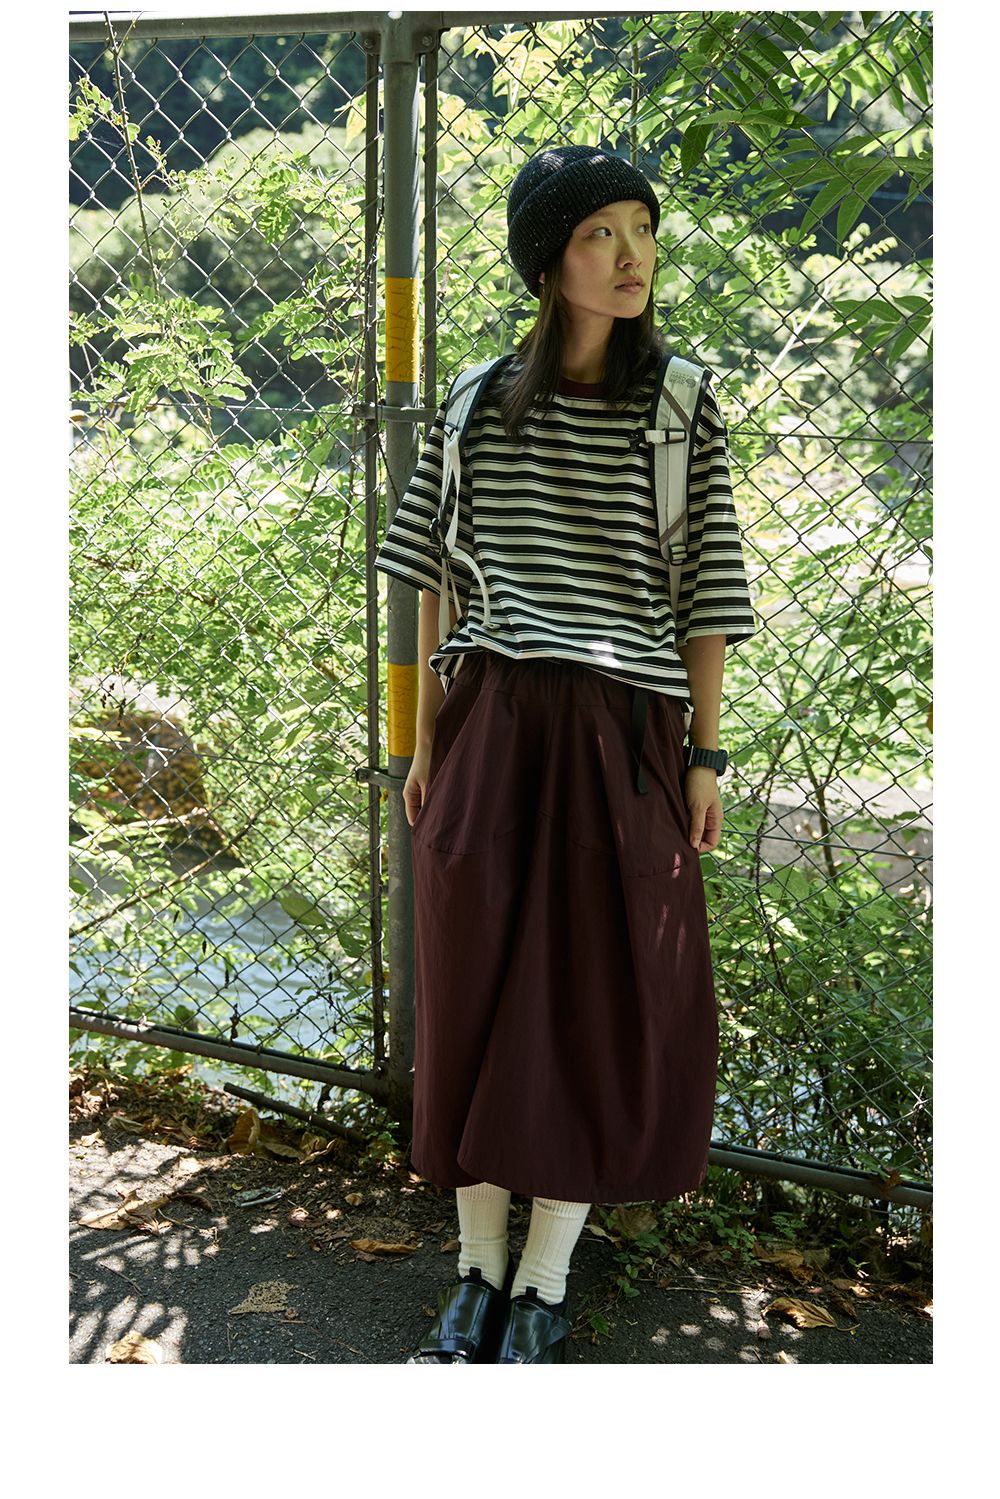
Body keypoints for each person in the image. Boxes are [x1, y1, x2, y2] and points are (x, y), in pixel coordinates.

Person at [374, 144, 755, 1363]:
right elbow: (430, 578)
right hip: (491, 722)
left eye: (642, 226)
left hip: (622, 735)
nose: (633, 254)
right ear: (548, 260)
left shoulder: (680, 405)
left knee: (594, 997)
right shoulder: (475, 403)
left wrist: (706, 753)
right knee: (473, 982)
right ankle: (476, 1272)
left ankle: (541, 1284)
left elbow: (707, 594)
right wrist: (423, 743)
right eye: (601, 232)